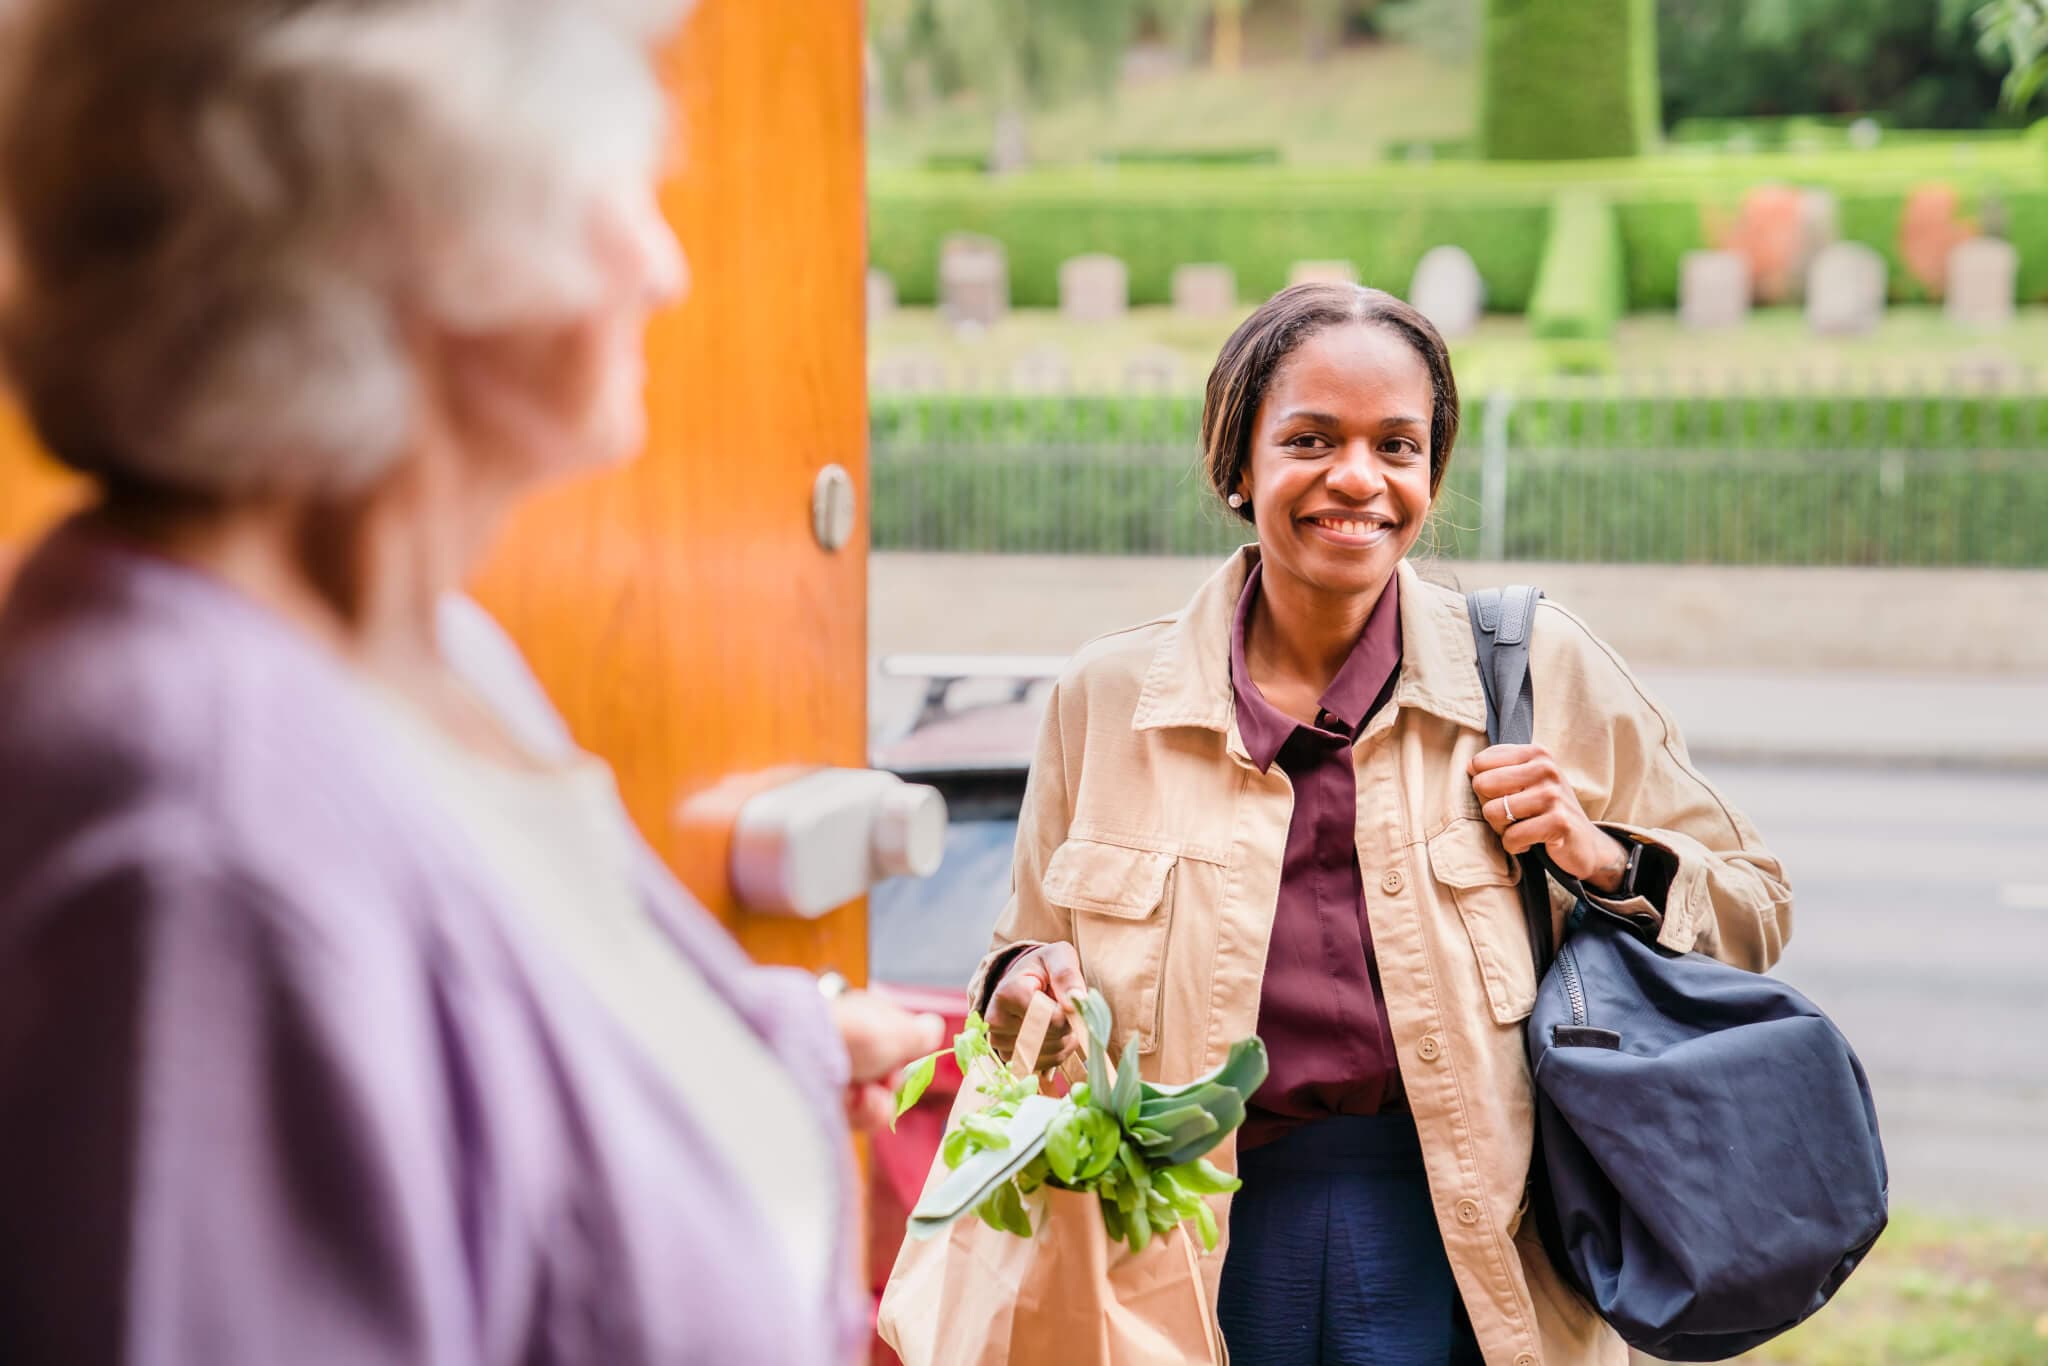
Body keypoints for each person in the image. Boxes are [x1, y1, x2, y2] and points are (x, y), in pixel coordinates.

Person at [0, 2, 938, 1361]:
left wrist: (798, 1032)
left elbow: (513, 1057)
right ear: (413, 231)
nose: (664, 267)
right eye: (610, 188)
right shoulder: (198, 849)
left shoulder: (424, 648)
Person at [974, 283, 1794, 1365]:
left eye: (1394, 445)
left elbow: (1753, 908)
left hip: (1469, 1249)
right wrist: (1024, 986)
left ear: (1430, 474)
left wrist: (1597, 853)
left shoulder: (1538, 668)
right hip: (1182, 1251)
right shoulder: (1103, 696)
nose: (1356, 478)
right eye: (1309, 438)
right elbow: (1019, 950)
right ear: (1237, 465)